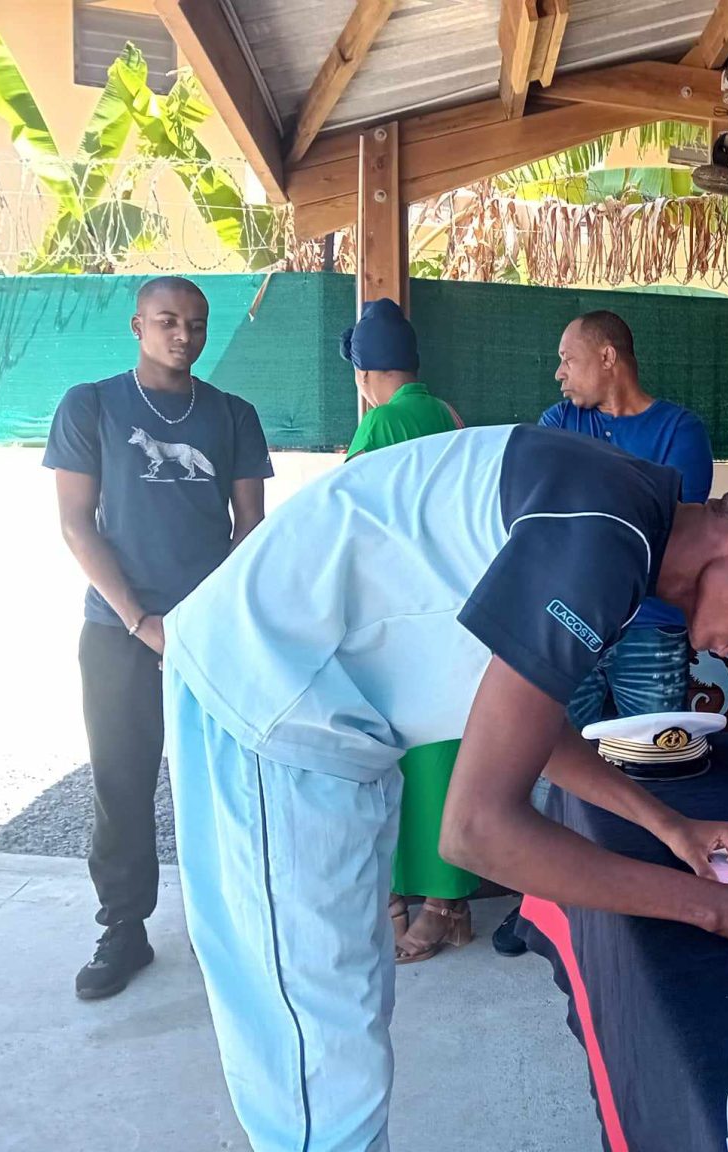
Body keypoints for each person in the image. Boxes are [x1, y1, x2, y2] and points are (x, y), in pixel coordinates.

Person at [161, 424, 728, 1151]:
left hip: (324, 716)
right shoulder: (603, 539)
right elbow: (478, 831)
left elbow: (524, 720)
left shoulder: (623, 522)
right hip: (270, 705)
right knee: (318, 1065)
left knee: (346, 1010)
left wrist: (669, 825)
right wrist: (718, 908)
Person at [43, 275, 271, 1000]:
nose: (184, 335)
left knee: (224, 781)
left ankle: (232, 924)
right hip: (118, 631)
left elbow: (251, 528)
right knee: (121, 782)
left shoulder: (233, 414)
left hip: (210, 634)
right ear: (137, 326)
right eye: (168, 321)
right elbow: (75, 523)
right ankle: (124, 928)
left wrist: (204, 620)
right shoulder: (91, 406)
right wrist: (143, 622)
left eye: (196, 323)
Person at [340, 298, 477, 965]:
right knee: (447, 754)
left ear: (364, 374)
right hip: (454, 610)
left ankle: (432, 905)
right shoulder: (448, 415)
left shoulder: (380, 423)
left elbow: (348, 524)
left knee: (408, 760)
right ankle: (448, 905)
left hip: (400, 618)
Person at [539, 311, 714, 728]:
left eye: (568, 359)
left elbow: (674, 533)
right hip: (568, 623)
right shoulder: (557, 422)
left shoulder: (681, 429)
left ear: (607, 357)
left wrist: (587, 507)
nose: (559, 373)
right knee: (562, 757)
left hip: (651, 627)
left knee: (654, 751)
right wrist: (633, 503)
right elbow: (545, 519)